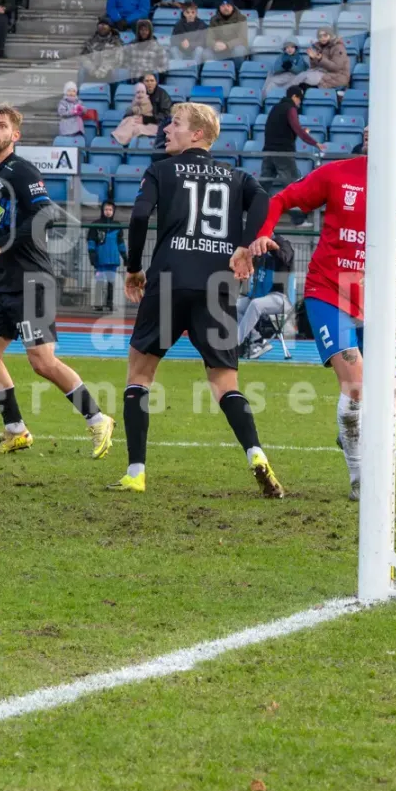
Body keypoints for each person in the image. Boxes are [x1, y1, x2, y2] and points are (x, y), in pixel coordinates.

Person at [248, 113, 396, 499]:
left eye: (381, 126)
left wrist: (390, 284)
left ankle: (349, 431)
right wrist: (264, 233)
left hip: (377, 305)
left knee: (394, 405)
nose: (370, 131)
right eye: (368, 127)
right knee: (355, 387)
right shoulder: (337, 174)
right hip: (327, 292)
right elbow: (281, 199)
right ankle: (359, 478)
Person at [120, 102, 282, 496]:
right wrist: (245, 244)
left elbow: (139, 216)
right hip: (218, 284)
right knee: (225, 381)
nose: (166, 130)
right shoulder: (236, 176)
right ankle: (256, 454)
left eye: (174, 123)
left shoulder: (161, 169)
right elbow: (264, 200)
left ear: (197, 133)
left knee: (140, 375)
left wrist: (134, 267)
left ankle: (136, 472)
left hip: (169, 279)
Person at [0, 103, 117, 458]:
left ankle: (98, 418)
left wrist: (3, 243)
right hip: (2, 283)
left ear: (15, 135)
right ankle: (16, 430)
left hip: (31, 280)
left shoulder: (22, 171)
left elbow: (46, 214)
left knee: (42, 361)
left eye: (2, 125)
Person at [237, 238, 295, 360]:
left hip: (280, 297)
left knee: (256, 304)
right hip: (260, 295)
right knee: (235, 306)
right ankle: (257, 340)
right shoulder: (256, 248)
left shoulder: (283, 244)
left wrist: (271, 247)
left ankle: (235, 343)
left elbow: (285, 258)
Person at [86, 201, 125, 311]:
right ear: (102, 210)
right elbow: (91, 241)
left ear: (113, 211)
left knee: (111, 282)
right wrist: (92, 254)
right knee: (99, 281)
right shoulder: (95, 224)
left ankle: (109, 303)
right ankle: (98, 304)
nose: (108, 212)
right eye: (106, 209)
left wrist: (125, 256)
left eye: (110, 210)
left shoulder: (117, 226)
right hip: (100, 259)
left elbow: (120, 243)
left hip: (113, 260)